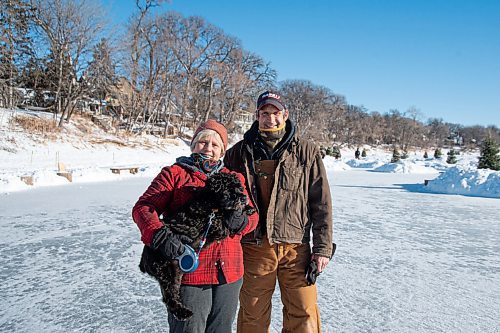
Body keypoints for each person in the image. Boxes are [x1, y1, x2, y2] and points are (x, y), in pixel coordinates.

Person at [132, 119, 258, 333]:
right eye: (202, 142)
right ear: (193, 145)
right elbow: (144, 208)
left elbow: (253, 216)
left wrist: (242, 221)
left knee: (222, 329)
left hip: (229, 272)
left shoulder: (233, 177)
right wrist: (160, 237)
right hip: (190, 270)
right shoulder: (174, 174)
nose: (208, 148)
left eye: (215, 144)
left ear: (222, 151)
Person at [224, 91, 334, 333]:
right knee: (252, 314)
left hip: (297, 249)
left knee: (304, 313)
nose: (270, 119)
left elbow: (321, 204)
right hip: (254, 248)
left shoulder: (307, 152)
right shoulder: (237, 153)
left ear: (285, 114)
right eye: (265, 113)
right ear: (257, 115)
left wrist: (322, 249)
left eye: (275, 113)